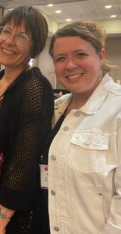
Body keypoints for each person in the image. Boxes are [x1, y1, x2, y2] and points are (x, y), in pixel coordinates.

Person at [0, 5, 54, 234]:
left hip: (6, 206)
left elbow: (24, 162)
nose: (9, 41)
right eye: (5, 31)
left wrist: (0, 222)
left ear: (35, 46)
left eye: (21, 36)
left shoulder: (35, 87)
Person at [46, 20, 121, 233]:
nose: (70, 65)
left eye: (80, 55)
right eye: (61, 58)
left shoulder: (116, 110)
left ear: (101, 55)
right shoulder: (56, 109)